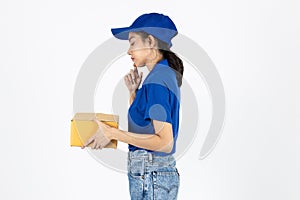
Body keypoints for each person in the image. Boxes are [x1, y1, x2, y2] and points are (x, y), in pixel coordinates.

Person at [84, 13, 184, 200]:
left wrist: (113, 134)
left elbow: (165, 142)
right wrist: (134, 93)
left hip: (151, 174)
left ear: (151, 42)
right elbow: (145, 125)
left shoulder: (157, 80)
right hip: (155, 174)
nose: (128, 51)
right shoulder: (163, 75)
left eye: (133, 43)